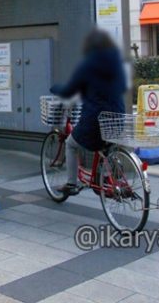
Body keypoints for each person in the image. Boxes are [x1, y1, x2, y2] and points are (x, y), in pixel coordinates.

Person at [50, 29, 127, 196]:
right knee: (106, 145)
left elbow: (68, 90)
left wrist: (55, 88)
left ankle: (71, 184)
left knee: (71, 144)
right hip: (117, 118)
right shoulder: (116, 64)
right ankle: (106, 177)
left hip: (96, 119)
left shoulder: (88, 65)